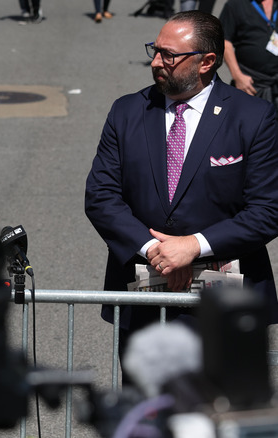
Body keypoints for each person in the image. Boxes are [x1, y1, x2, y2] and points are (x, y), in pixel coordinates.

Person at [84, 11, 278, 382]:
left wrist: (193, 246)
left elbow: (267, 210)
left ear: (207, 61)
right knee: (147, 410)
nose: (156, 62)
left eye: (169, 55)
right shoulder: (128, 111)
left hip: (226, 301)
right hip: (144, 292)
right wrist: (155, 251)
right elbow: (101, 196)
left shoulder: (253, 117)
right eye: (155, 51)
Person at [219, 0, 278, 116]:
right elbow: (224, 41)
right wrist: (237, 76)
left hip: (276, 83)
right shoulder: (235, 5)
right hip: (250, 85)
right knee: (247, 128)